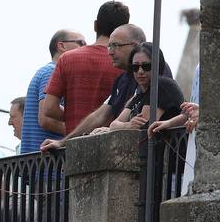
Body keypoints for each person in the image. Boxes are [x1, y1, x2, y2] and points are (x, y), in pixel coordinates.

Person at [42, 22, 172, 150]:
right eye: (109, 46)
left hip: (155, 156)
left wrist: (113, 128)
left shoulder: (157, 70)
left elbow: (142, 123)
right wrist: (63, 142)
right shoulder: (122, 79)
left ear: (135, 46)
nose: (110, 52)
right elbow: (100, 115)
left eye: (115, 46)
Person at [39, 3, 130, 139]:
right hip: (113, 142)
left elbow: (49, 108)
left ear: (95, 25)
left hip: (74, 143)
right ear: (124, 29)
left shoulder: (67, 59)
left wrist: (76, 117)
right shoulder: (125, 62)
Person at [20, 29, 86, 153]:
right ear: (61, 46)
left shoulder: (48, 70)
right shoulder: (52, 71)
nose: (85, 48)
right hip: (46, 159)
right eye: (81, 43)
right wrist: (82, 133)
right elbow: (46, 119)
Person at [97, 44, 184, 133]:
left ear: (157, 66)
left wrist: (123, 126)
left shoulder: (162, 85)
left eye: (146, 66)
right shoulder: (139, 95)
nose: (140, 71)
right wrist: (127, 125)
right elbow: (114, 124)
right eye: (135, 67)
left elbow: (143, 126)